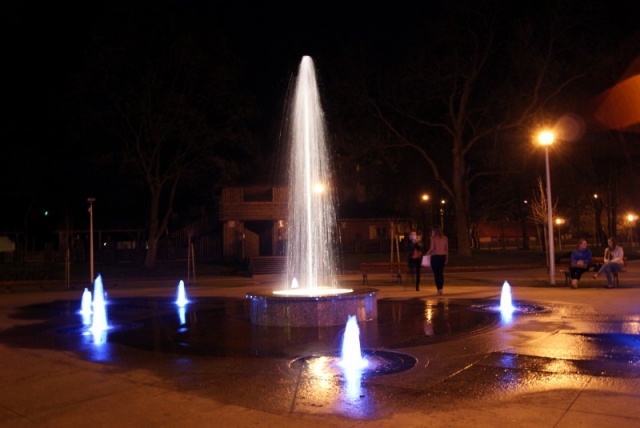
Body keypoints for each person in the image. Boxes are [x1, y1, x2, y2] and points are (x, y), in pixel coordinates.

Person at [425, 224, 448, 296]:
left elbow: (432, 248)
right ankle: (441, 289)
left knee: (436, 274)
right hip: (442, 257)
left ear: (434, 231)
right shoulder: (445, 238)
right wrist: (446, 258)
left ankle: (438, 290)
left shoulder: (433, 238)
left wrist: (427, 253)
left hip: (435, 257)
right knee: (440, 273)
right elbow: (446, 249)